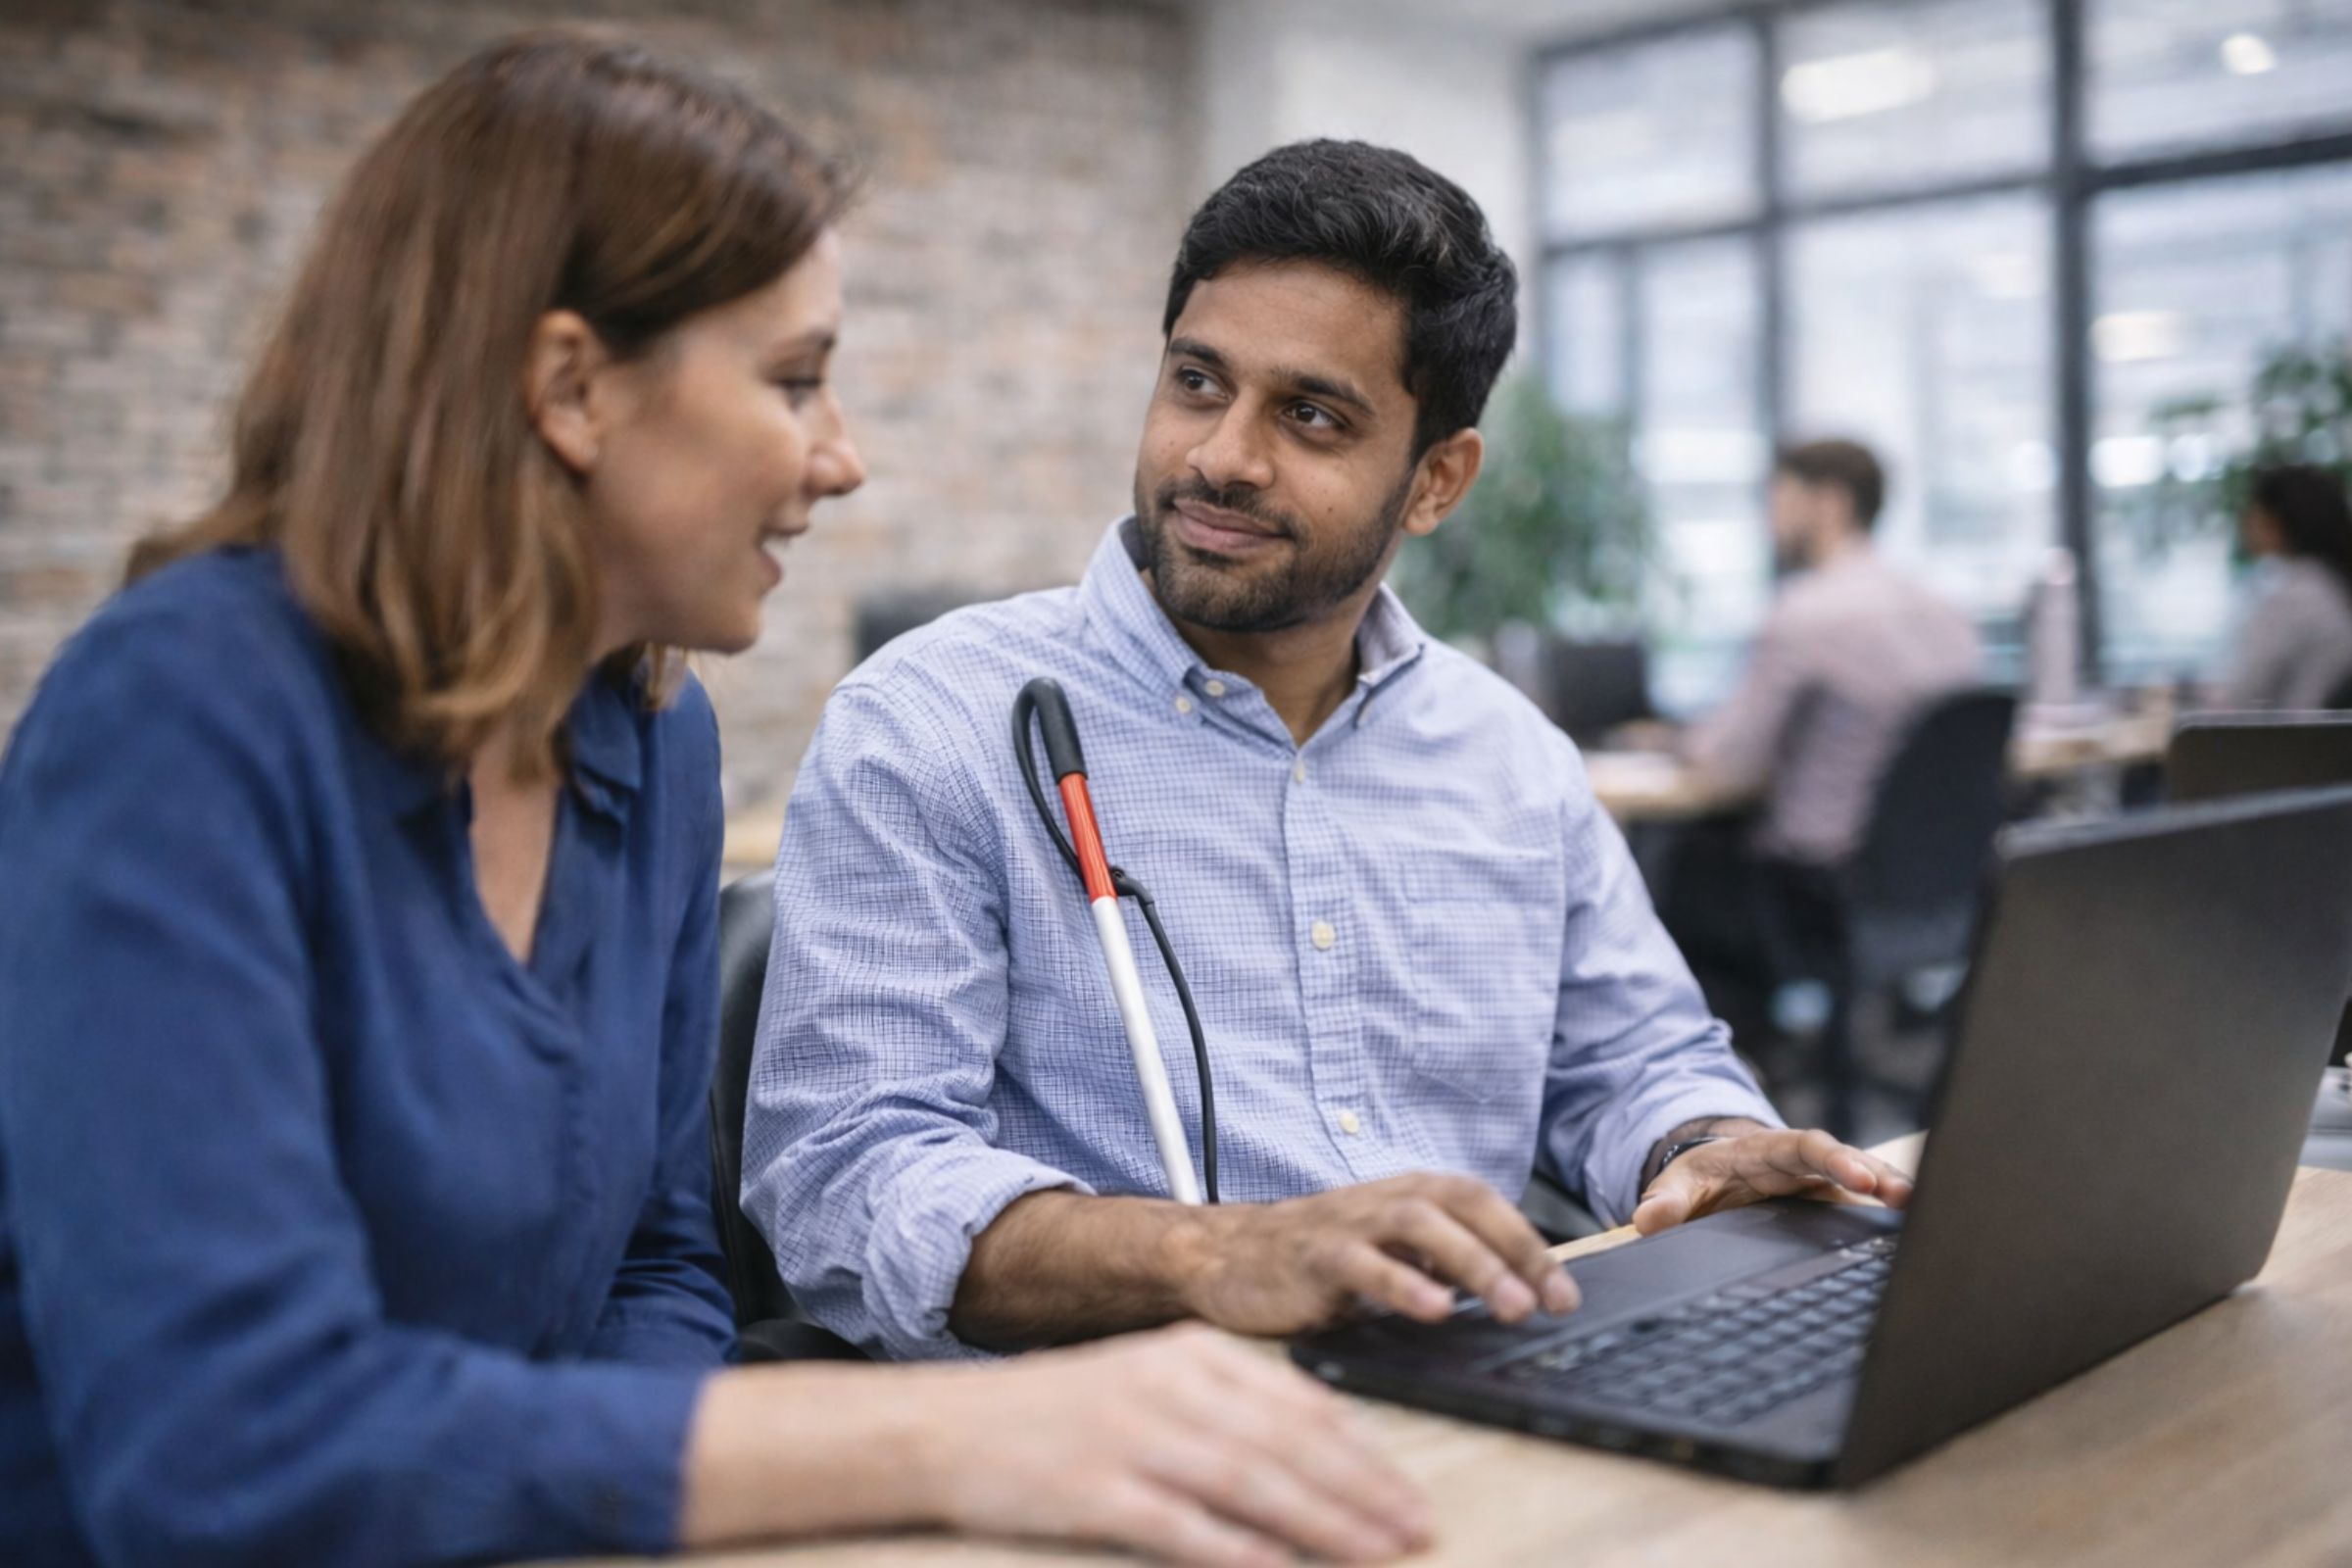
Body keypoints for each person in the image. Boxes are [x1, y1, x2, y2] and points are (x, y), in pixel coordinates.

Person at [0, 36, 1427, 1568]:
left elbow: (662, 1271)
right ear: (569, 387)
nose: (841, 459)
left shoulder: (646, 731)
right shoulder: (182, 712)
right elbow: (222, 1446)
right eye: (795, 379)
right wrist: (948, 1438)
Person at [744, 140, 1912, 1365]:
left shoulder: (1506, 753)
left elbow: (1631, 1056)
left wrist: (1699, 1146)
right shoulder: (933, 723)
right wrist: (1217, 1256)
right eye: (1198, 382)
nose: (1222, 457)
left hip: (1482, 1380)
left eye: (1310, 415)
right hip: (1115, 1427)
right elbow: (847, 1181)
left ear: (1436, 481)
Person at [1678, 438, 1983, 867]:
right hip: (1937, 881)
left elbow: (1725, 761)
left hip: (1815, 885)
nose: (1772, 519)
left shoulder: (1805, 613)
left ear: (1830, 504)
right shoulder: (1949, 613)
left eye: (1782, 498)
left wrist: (1683, 741)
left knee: (1676, 863)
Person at [2217, 464, 2352, 710]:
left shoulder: (2294, 597)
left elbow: (2239, 698)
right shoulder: (2332, 584)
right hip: (2322, 741)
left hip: (2293, 742)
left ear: (2276, 522)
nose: (2247, 521)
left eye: (2255, 512)